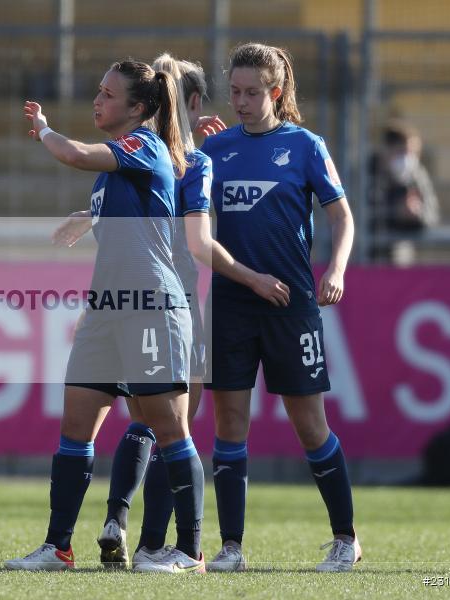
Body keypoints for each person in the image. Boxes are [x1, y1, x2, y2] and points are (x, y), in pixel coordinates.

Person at [51, 54, 288, 574]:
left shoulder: (185, 160)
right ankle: (132, 533)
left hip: (171, 303)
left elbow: (192, 238)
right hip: (136, 303)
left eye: (174, 91)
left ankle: (148, 538)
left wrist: (248, 277)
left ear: (191, 101)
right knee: (157, 422)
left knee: (161, 424)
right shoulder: (154, 154)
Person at [5, 59, 205, 573]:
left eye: (109, 94)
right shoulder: (121, 164)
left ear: (138, 108)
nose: (98, 100)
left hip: (149, 306)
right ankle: (58, 547)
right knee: (75, 425)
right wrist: (86, 217)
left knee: (168, 427)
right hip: (108, 308)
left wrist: (45, 128)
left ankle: (189, 552)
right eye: (98, 91)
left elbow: (73, 154)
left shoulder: (143, 145)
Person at [199, 42, 360, 573]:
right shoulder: (218, 151)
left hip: (291, 303)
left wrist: (334, 270)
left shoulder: (306, 146)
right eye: (235, 92)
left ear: (276, 91)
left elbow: (342, 218)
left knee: (309, 423)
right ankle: (232, 548)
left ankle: (345, 539)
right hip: (231, 302)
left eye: (251, 93)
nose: (241, 102)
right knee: (229, 422)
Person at [369, 119, 440, 264]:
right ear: (386, 151)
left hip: (400, 258)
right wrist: (395, 212)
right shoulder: (366, 174)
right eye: (403, 152)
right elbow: (357, 216)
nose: (409, 159)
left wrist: (416, 214)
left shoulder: (418, 175)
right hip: (364, 257)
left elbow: (432, 215)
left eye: (414, 153)